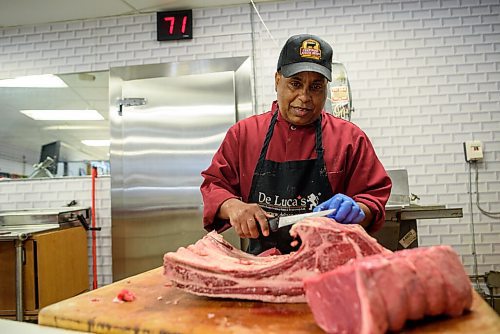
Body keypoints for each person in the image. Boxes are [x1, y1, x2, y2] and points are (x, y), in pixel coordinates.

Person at [200, 34, 392, 255]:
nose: (304, 97)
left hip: (331, 263)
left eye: (316, 87)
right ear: (277, 80)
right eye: (295, 84)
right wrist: (234, 207)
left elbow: (373, 197)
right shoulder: (244, 134)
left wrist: (359, 209)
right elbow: (214, 185)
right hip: (264, 266)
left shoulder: (350, 138)